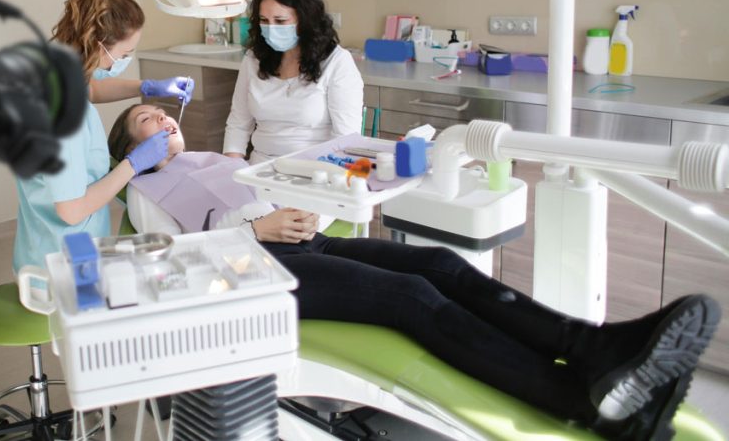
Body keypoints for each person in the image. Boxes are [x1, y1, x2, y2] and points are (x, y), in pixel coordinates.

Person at [109, 103, 721, 441]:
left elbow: (266, 192)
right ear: (131, 148)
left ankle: (596, 348)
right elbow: (174, 262)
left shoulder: (215, 157)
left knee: (438, 264)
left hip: (305, 244)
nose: (162, 119)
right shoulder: (144, 190)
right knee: (408, 297)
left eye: (164, 113)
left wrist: (298, 206)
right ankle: (583, 406)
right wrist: (255, 232)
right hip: (252, 273)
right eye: (146, 121)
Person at [12, 0, 195, 273]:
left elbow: (92, 88)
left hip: (46, 245)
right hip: (62, 265)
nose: (123, 61)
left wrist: (148, 86)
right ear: (98, 46)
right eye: (123, 55)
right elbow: (71, 211)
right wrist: (134, 165)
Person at [223, 0, 364, 165]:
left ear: (305, 19)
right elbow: (238, 123)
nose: (271, 28)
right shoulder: (253, 59)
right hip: (259, 168)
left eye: (280, 21)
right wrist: (230, 170)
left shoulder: (337, 62)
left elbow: (345, 141)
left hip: (316, 170)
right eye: (264, 20)